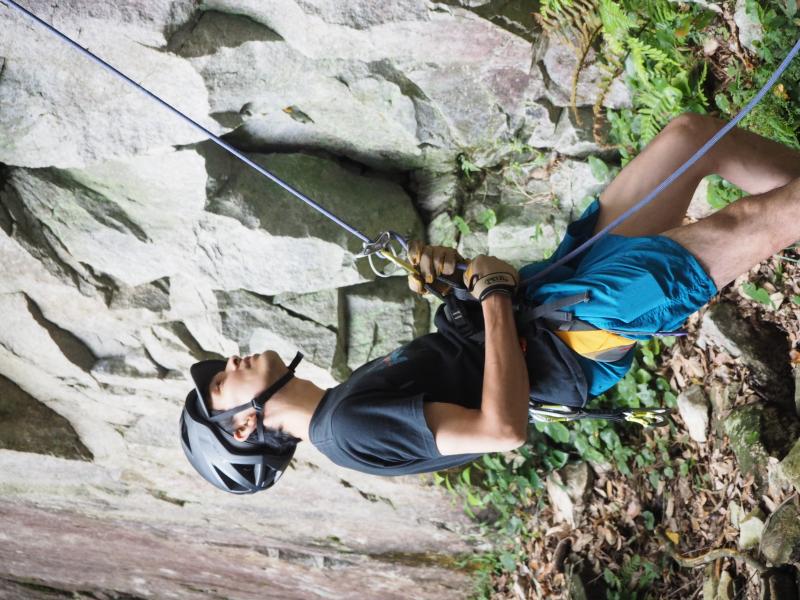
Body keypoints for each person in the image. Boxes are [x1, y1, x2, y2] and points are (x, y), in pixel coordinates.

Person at [180, 113, 800, 493]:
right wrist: (495, 296)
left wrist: (453, 283)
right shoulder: (345, 430)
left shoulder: (342, 403)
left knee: (690, 139)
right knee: (747, 223)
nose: (227, 364)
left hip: (552, 296)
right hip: (578, 327)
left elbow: (469, 358)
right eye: (220, 386)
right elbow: (501, 429)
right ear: (244, 427)